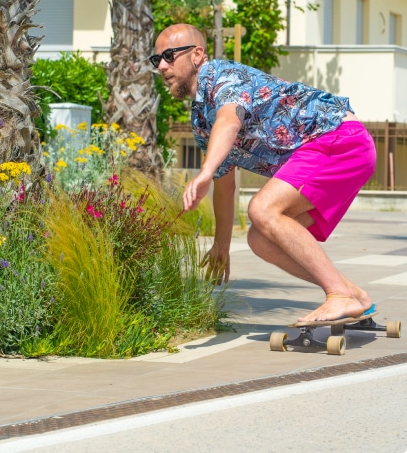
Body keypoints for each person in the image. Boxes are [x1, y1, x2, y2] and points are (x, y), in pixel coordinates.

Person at [150, 23, 377, 322]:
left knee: (262, 208)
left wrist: (203, 171)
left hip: (338, 138)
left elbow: (229, 120)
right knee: (260, 240)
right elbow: (225, 185)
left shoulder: (222, 76)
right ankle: (355, 296)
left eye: (168, 56)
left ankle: (337, 295)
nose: (162, 66)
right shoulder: (201, 117)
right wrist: (221, 244)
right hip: (338, 150)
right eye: (156, 60)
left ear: (197, 54)